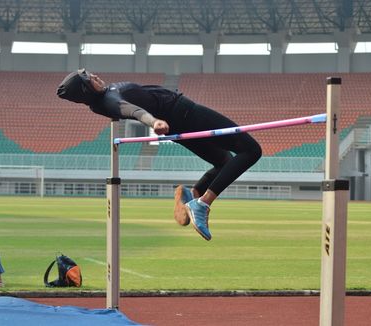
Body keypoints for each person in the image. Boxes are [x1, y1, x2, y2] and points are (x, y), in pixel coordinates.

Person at [57, 69, 262, 241]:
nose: (95, 76)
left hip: (179, 123)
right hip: (185, 113)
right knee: (251, 151)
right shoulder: (108, 100)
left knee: (223, 161)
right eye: (90, 79)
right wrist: (153, 122)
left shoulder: (104, 96)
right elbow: (133, 111)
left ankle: (194, 195)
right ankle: (203, 203)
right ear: (85, 90)